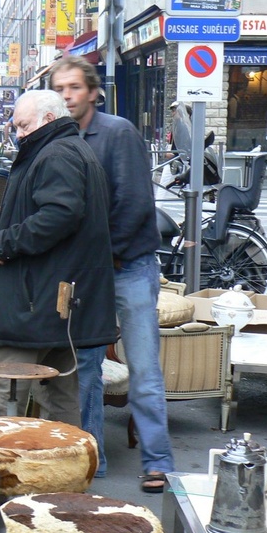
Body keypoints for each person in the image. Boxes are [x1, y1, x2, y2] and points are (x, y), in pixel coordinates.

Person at [49, 55, 175, 492]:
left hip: (128, 268)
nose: (67, 96)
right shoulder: (61, 137)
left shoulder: (117, 132)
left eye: (75, 88)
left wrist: (106, 258)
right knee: (84, 367)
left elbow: (134, 204)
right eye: (60, 89)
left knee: (142, 368)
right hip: (88, 273)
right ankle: (91, 460)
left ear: (93, 91)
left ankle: (158, 462)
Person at [0, 90, 117, 426]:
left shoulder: (56, 154)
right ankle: (65, 474)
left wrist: (5, 242)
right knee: (59, 393)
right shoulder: (71, 150)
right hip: (55, 300)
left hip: (35, 304)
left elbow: (60, 214)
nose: (19, 133)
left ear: (49, 120)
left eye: (24, 125)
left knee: (3, 388)